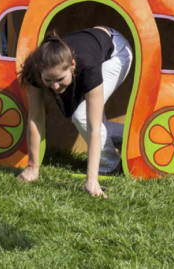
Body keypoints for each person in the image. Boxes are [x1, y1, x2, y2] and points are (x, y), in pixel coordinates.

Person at [17, 27, 133, 198]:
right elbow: (35, 119)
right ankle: (130, 139)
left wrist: (91, 180)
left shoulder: (87, 68)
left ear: (72, 66)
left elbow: (94, 127)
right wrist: (32, 167)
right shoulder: (33, 69)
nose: (55, 87)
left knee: (83, 116)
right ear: (39, 70)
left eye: (60, 79)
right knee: (86, 118)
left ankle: (110, 166)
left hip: (117, 52)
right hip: (90, 45)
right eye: (48, 80)